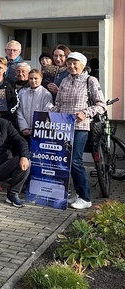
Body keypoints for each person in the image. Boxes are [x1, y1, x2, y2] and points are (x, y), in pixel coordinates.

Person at [50, 52, 106, 209]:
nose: (72, 66)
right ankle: (78, 194)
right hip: (63, 126)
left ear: (83, 65)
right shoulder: (65, 81)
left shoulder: (90, 80)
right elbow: (59, 104)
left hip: (80, 127)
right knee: (66, 162)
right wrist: (47, 114)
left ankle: (86, 198)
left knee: (75, 160)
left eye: (75, 63)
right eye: (69, 63)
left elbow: (101, 105)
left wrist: (85, 113)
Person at [17, 69, 53, 142]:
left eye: (36, 78)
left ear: (41, 79)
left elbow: (46, 112)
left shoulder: (46, 94)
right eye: (31, 78)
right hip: (25, 131)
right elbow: (19, 110)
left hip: (39, 131)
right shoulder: (23, 93)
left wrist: (36, 129)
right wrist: (24, 127)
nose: (33, 81)